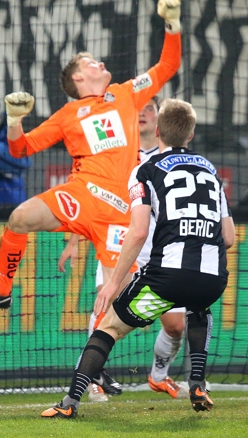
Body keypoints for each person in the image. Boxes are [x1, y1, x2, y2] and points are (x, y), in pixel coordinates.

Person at [0, 0, 182, 316]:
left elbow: (168, 65)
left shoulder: (125, 93)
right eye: (92, 62)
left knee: (115, 308)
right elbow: (21, 147)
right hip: (81, 197)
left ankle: (92, 366)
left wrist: (172, 23)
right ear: (78, 77)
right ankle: (2, 292)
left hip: (119, 211)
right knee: (19, 217)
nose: (101, 63)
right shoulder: (67, 115)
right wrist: (13, 121)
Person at [41, 98, 235, 419]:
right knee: (198, 308)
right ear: (191, 134)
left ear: (157, 130)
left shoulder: (145, 170)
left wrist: (113, 283)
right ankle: (197, 381)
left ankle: (70, 402)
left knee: (109, 327)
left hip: (166, 274)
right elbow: (228, 238)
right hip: (214, 276)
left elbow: (139, 231)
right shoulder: (212, 172)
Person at [58, 96, 187, 402]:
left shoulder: (174, 157)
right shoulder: (118, 150)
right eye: (138, 109)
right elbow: (88, 191)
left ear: (159, 121)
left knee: (176, 325)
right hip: (121, 235)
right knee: (108, 299)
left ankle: (158, 376)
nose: (142, 114)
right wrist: (74, 240)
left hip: (162, 242)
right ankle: (88, 379)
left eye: (150, 110)